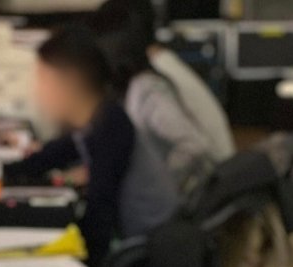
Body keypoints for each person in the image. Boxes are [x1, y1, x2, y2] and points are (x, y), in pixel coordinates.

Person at [3, 24, 177, 267]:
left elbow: (100, 214)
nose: (38, 91)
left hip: (144, 257)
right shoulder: (91, 122)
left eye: (44, 80)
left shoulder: (111, 125)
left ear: (69, 83)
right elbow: (43, 160)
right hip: (133, 248)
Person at [91, 0, 222, 212]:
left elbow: (195, 146)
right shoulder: (147, 77)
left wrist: (156, 180)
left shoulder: (148, 89)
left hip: (199, 200)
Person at [100, 0, 235, 165]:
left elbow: (195, 147)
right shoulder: (158, 62)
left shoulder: (151, 77)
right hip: (215, 165)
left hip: (212, 173)